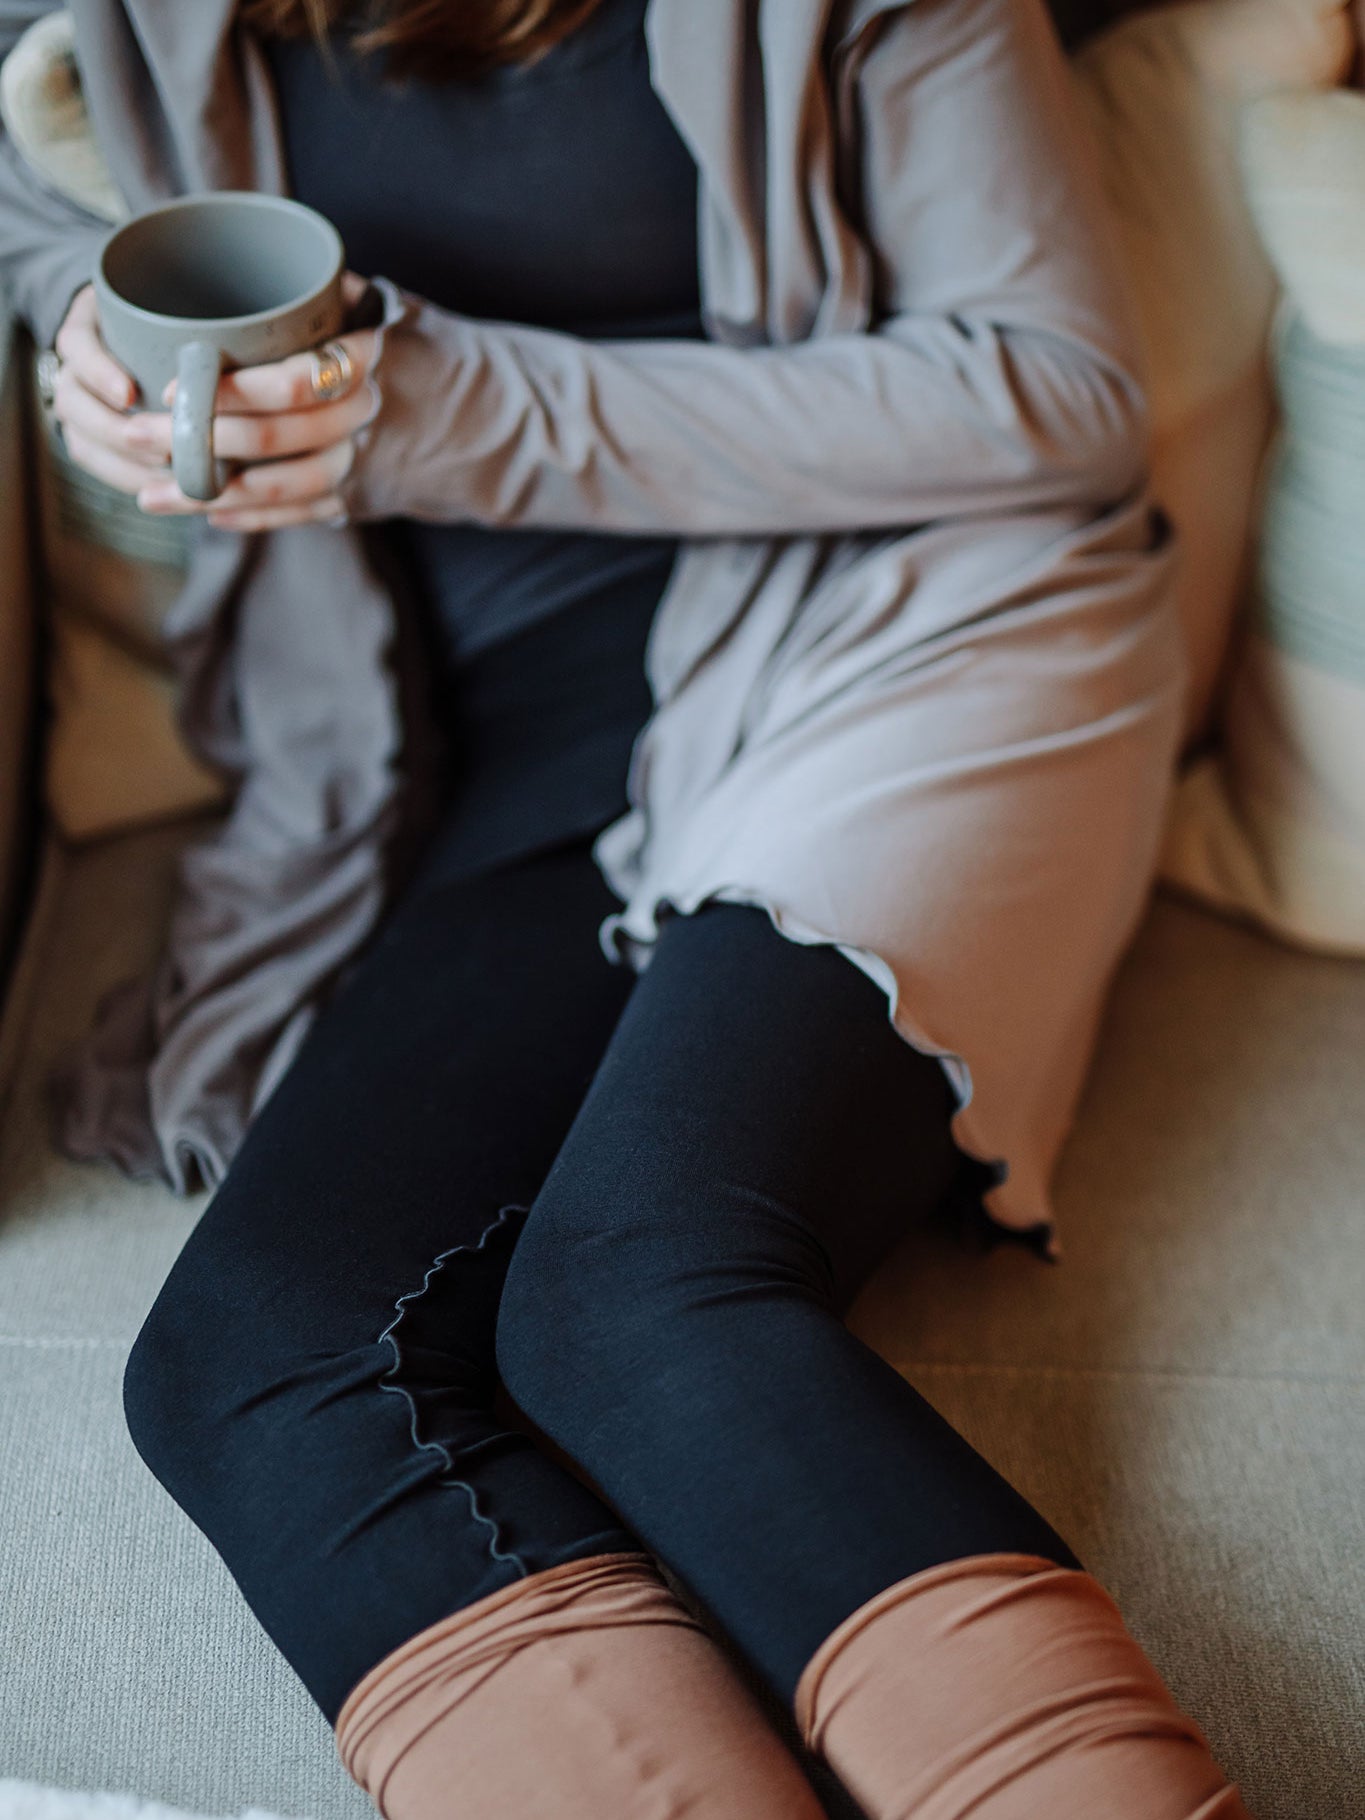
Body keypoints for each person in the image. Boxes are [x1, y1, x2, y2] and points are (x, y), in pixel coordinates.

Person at [24, 0, 1251, 1813]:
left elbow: (1053, 393)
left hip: (901, 643)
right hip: (487, 747)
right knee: (255, 1368)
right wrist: (87, 344)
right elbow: (34, 216)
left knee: (636, 1300)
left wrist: (455, 412)